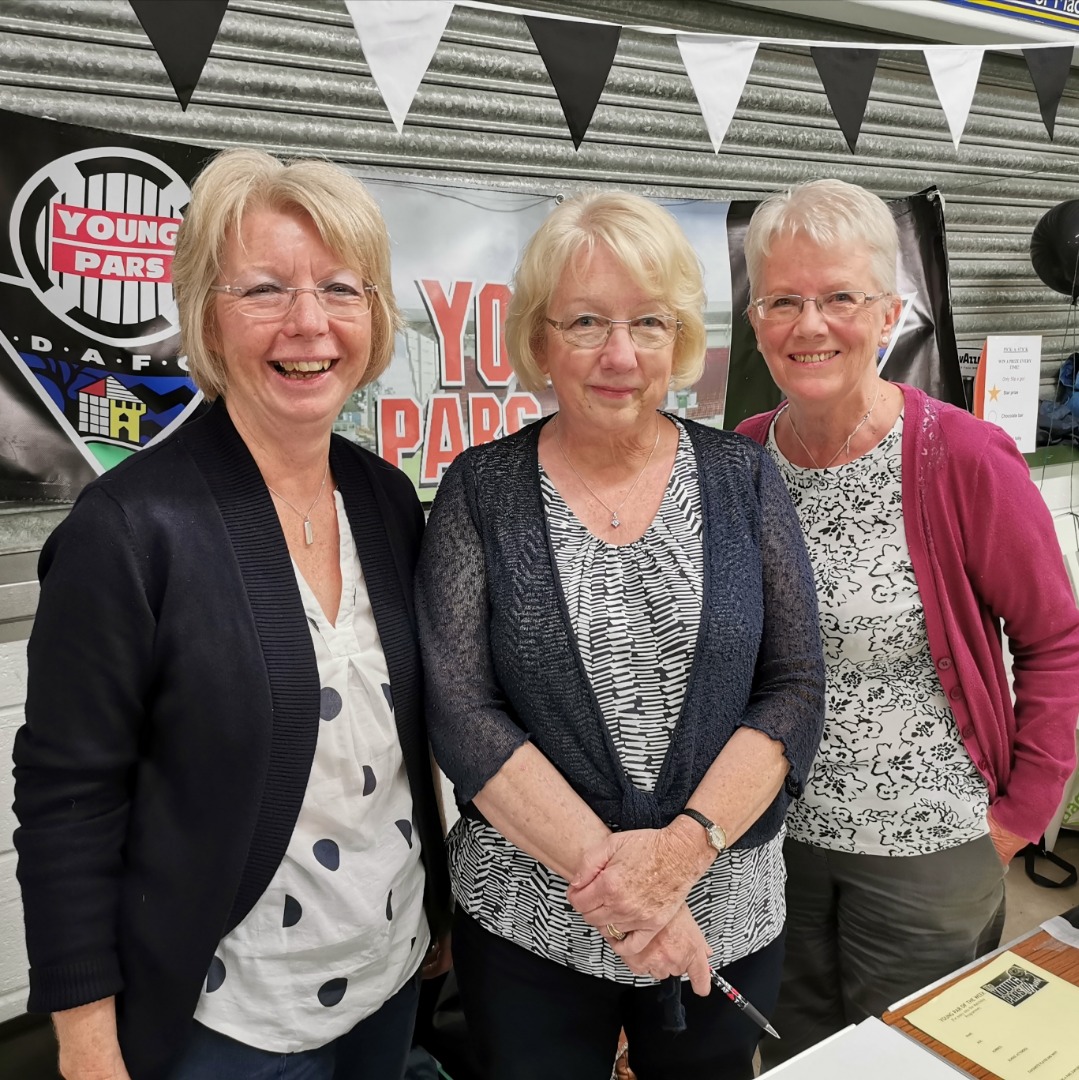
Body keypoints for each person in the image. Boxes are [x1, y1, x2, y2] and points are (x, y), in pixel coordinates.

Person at [13, 149, 452, 1080]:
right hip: (227, 1014)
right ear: (205, 316)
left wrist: (438, 916)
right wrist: (86, 1039)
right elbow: (67, 802)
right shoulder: (129, 530)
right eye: (263, 289)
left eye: (340, 286)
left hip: (388, 972)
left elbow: (393, 751)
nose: (308, 323)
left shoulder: (381, 499)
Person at [414, 190, 825, 1080]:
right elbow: (459, 706)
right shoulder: (480, 489)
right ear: (539, 338)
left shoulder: (743, 479)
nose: (618, 354)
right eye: (586, 322)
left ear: (678, 340)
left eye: (647, 322)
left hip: (721, 915)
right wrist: (622, 883)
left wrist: (676, 858)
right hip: (531, 919)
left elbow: (793, 685)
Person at [735, 177, 1079, 1064]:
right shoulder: (738, 457)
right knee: (794, 1055)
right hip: (774, 847)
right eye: (782, 300)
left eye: (839, 297)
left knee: (907, 1059)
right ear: (755, 316)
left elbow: (1056, 640)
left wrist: (1019, 814)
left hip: (932, 845)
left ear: (888, 313)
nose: (809, 325)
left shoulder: (961, 457)